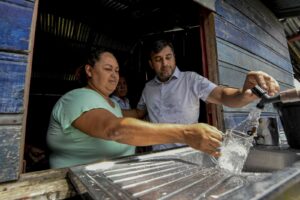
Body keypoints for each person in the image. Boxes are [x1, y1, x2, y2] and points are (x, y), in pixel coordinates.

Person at [46, 48, 223, 169]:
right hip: (75, 187)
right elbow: (115, 129)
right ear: (89, 71)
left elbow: (136, 114)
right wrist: (186, 133)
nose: (114, 76)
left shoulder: (113, 105)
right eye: (108, 69)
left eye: (116, 70)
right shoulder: (77, 98)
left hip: (111, 181)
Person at [123, 39, 280, 151]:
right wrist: (112, 108)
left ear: (174, 57)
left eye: (168, 57)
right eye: (158, 59)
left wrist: (241, 94)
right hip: (157, 155)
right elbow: (139, 112)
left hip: (188, 152)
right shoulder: (148, 88)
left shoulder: (191, 79)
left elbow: (221, 95)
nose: (165, 64)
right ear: (151, 64)